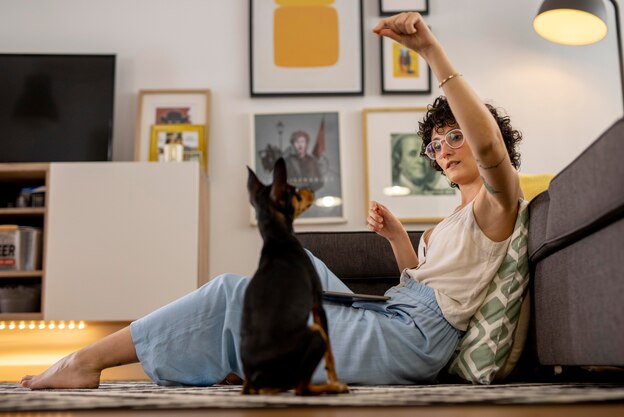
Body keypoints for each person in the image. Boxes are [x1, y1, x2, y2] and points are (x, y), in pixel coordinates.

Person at [20, 12, 523, 390]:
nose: (445, 149)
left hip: (411, 339)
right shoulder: (455, 215)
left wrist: (432, 51)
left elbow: (489, 153)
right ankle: (239, 360)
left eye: (455, 136)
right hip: (398, 312)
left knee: (229, 293)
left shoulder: (497, 204)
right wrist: (397, 239)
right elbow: (420, 280)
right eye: (436, 144)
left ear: (485, 138)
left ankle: (83, 362)